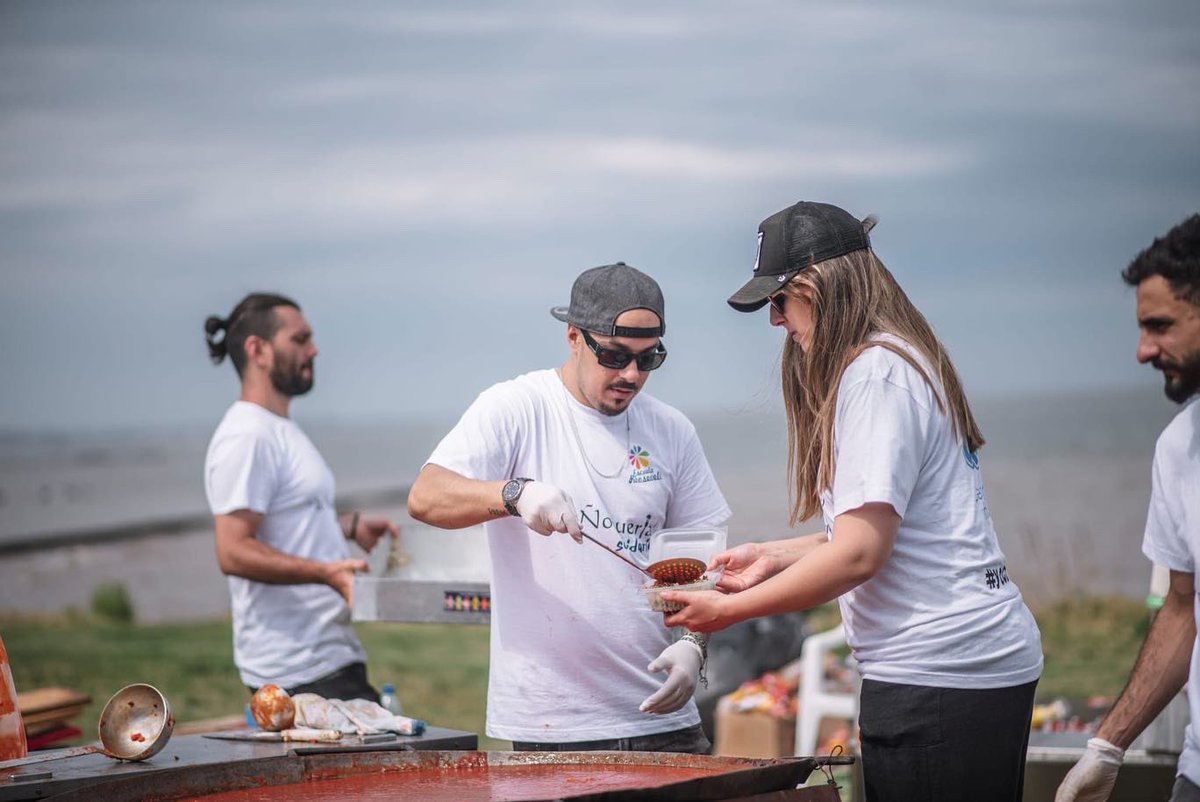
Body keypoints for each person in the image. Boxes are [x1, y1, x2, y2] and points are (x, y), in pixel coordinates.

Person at [661, 201, 1044, 802]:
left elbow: (859, 556)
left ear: (819, 286)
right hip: (966, 666)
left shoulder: (873, 378)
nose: (775, 322)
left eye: (778, 301)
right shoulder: (901, 358)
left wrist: (728, 613)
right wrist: (775, 556)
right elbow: (886, 529)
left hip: (940, 673)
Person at [406, 262, 730, 753]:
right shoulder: (516, 407)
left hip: (665, 723)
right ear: (574, 337)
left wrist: (693, 646)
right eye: (616, 356)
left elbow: (705, 562)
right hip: (554, 727)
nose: (631, 375)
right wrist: (513, 495)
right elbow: (426, 496)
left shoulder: (672, 430)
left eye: (649, 359)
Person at [1056, 214, 1200, 802]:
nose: (1143, 351)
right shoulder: (1179, 448)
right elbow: (1183, 607)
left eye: (1160, 326)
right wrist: (1107, 746)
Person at [203, 292, 397, 702]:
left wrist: (349, 526)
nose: (314, 349)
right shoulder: (247, 435)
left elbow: (289, 515)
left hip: (328, 657)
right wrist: (326, 573)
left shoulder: (278, 428)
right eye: (300, 339)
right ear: (258, 349)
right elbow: (232, 550)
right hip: (296, 671)